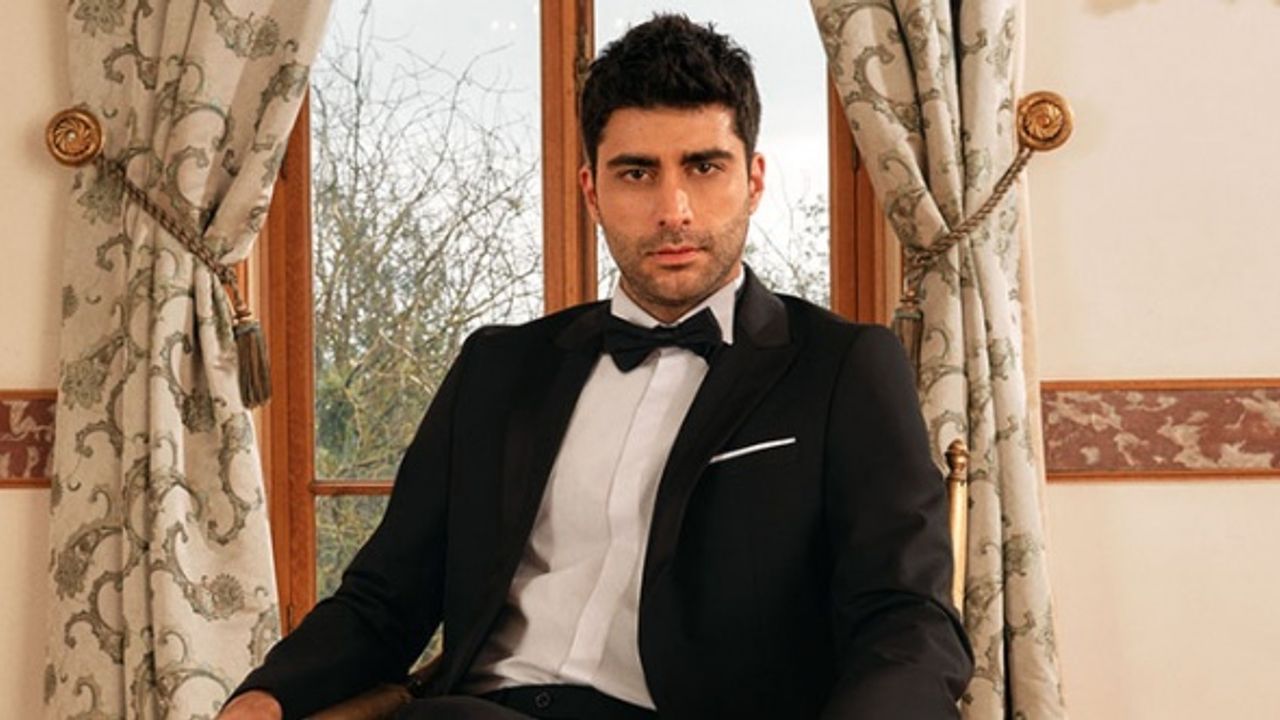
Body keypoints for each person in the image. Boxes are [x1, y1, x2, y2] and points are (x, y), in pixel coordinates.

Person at [220, 13, 972, 720]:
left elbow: (908, 620)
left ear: (753, 180)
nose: (674, 209)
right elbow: (384, 599)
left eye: (704, 167)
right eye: (637, 173)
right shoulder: (497, 368)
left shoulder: (842, 368)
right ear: (592, 189)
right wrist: (266, 697)